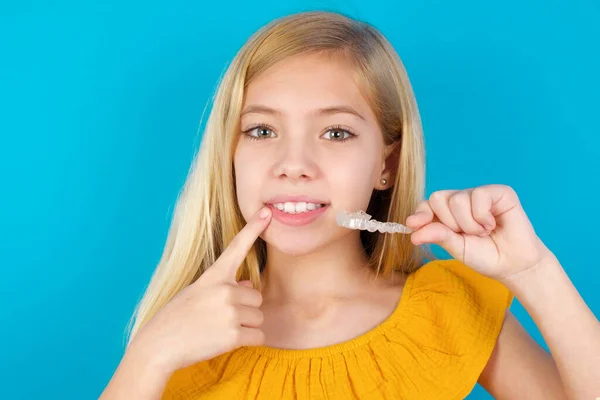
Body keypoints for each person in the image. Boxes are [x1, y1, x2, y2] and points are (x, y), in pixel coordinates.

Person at [99, 10, 599, 400]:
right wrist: (150, 354)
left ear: (387, 164)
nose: (293, 164)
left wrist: (534, 270)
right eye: (262, 130)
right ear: (229, 156)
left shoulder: (447, 308)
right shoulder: (187, 335)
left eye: (335, 132)